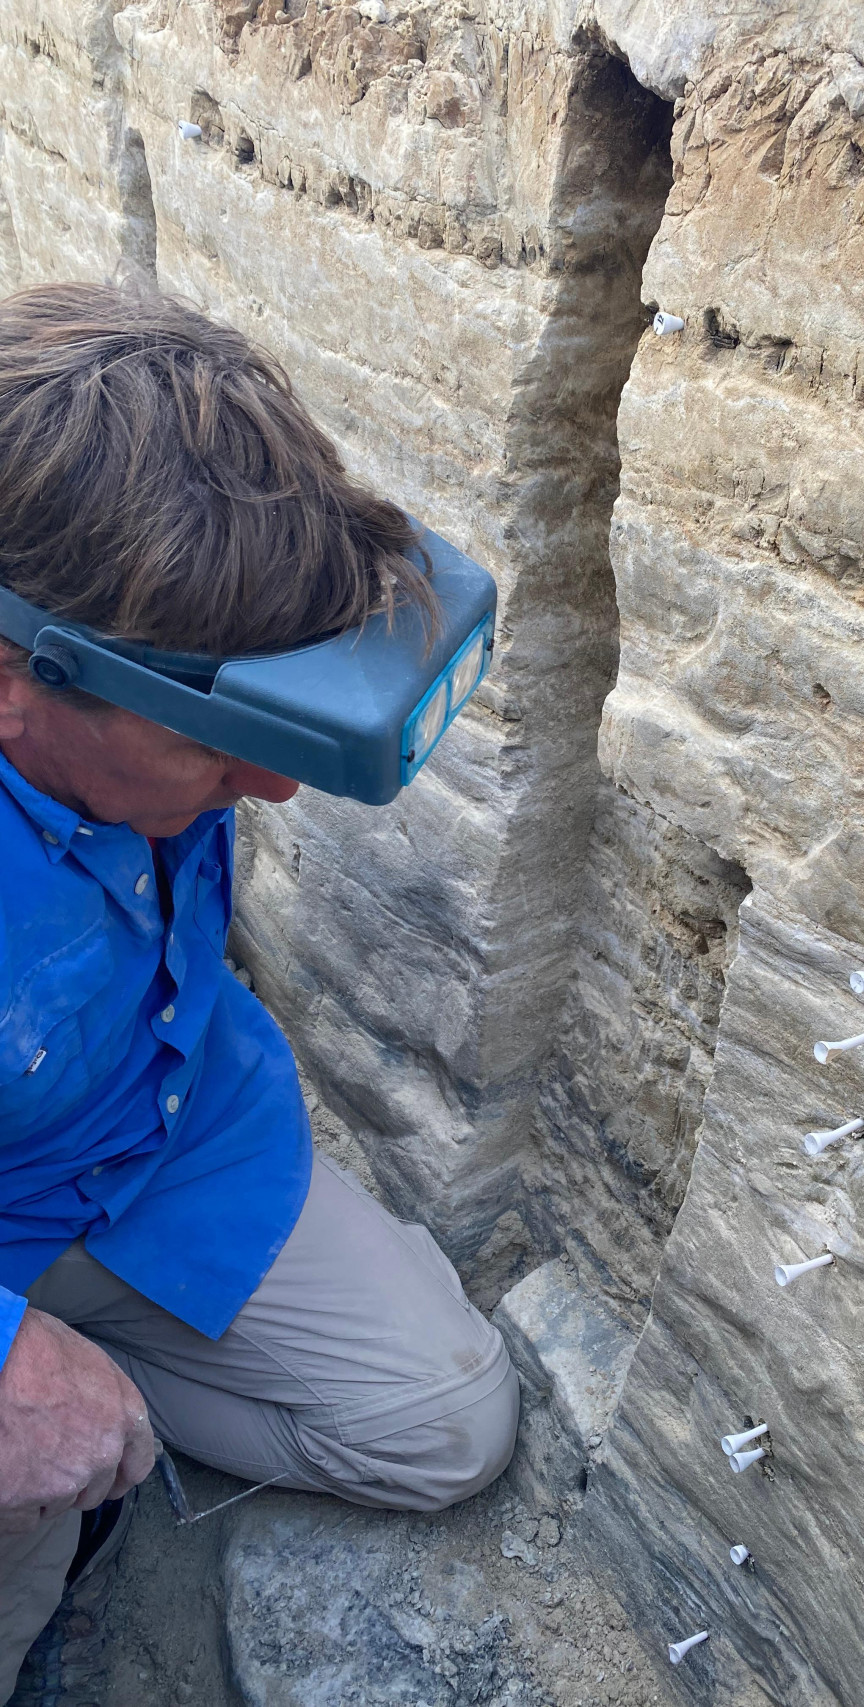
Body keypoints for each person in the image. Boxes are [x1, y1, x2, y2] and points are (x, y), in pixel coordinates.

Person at [0, 283, 519, 1703]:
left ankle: (103, 1417)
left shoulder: (150, 653)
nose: (275, 785)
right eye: (217, 744)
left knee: (449, 1426)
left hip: (164, 1150)